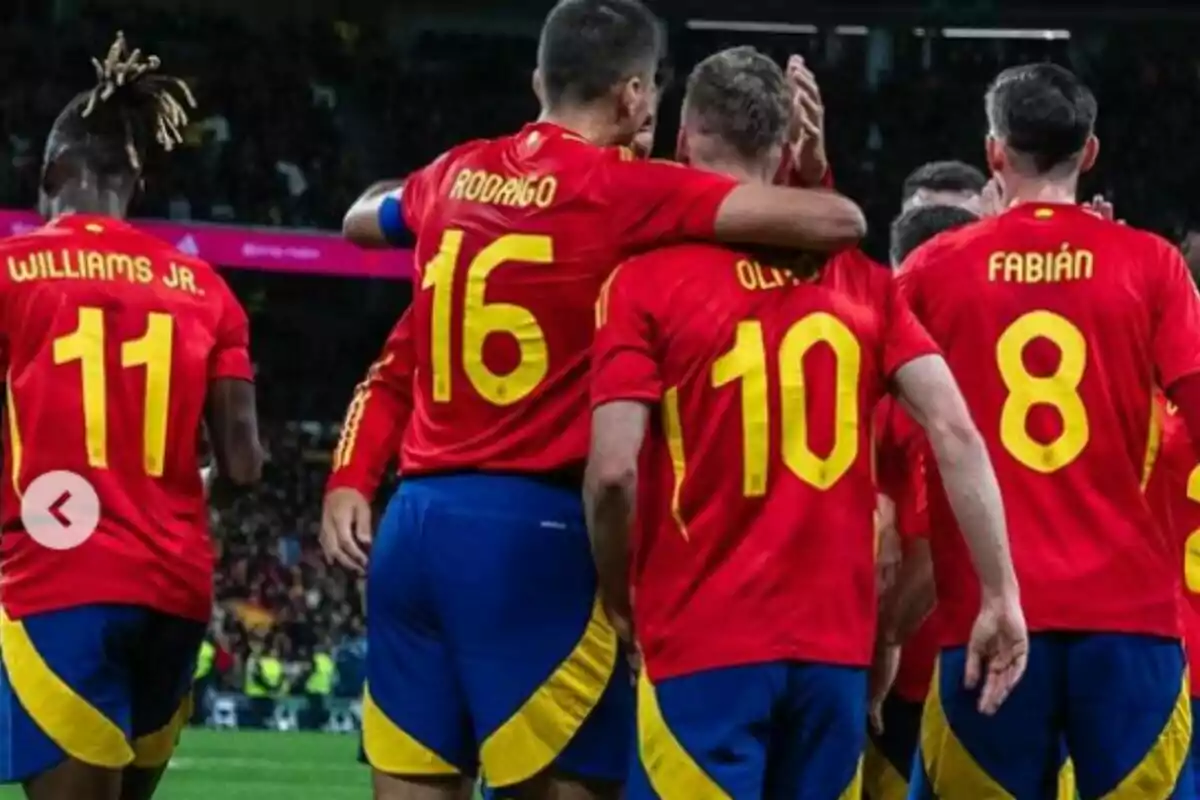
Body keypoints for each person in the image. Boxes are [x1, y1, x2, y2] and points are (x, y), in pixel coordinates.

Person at [325, 2, 868, 799]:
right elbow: (835, 223)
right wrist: (806, 163)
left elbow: (360, 221)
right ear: (636, 95)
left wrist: (348, 476)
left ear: (538, 79)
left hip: (414, 526)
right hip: (536, 538)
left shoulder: (450, 176)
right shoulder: (624, 191)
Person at [585, 46, 1025, 799]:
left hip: (702, 640)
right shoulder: (866, 286)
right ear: (788, 147)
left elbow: (615, 471)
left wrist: (619, 600)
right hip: (832, 653)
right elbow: (955, 431)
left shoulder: (643, 283)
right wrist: (1001, 594)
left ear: (685, 141)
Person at [898, 62, 1200, 798]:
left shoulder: (934, 268)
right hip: (1130, 616)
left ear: (994, 152)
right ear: (1089, 152)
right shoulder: (1152, 265)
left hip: (987, 614)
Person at [0, 32, 262, 800]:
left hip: (60, 579)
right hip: (175, 589)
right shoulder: (205, 287)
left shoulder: (12, 272)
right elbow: (245, 466)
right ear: (134, 181)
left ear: (52, 174)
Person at [865, 203, 981, 800]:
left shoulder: (917, 396)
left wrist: (884, 638)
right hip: (945, 665)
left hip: (931, 669)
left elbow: (935, 545)